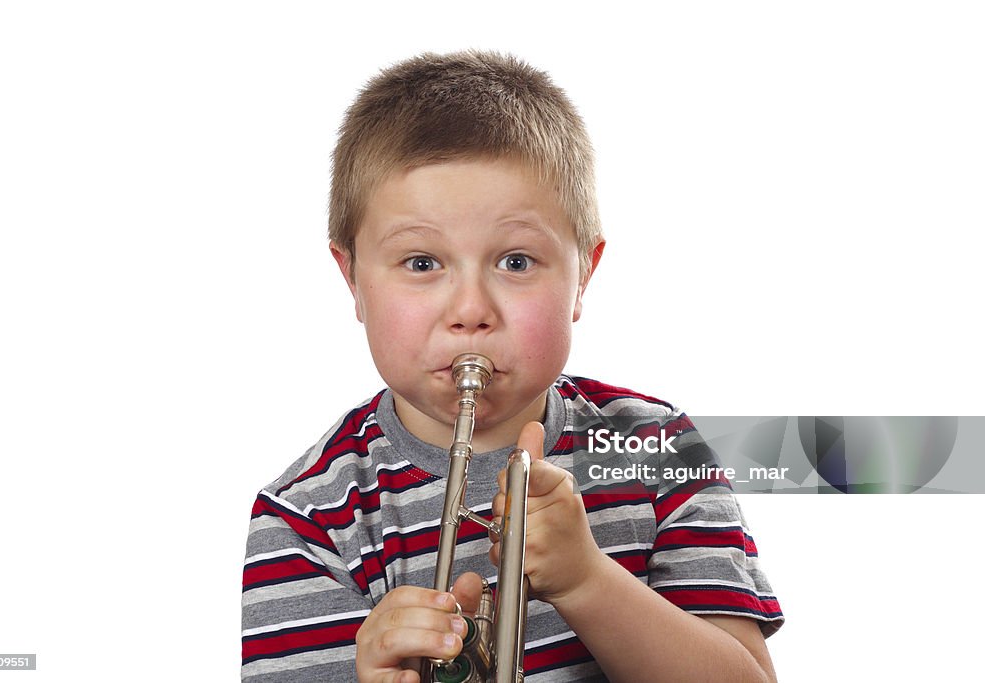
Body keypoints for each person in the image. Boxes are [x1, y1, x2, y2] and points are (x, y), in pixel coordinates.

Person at [241, 50, 783, 682]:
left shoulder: (656, 449)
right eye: (421, 263)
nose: (470, 310)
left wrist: (586, 581)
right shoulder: (305, 519)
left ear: (583, 275)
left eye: (516, 262)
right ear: (352, 279)